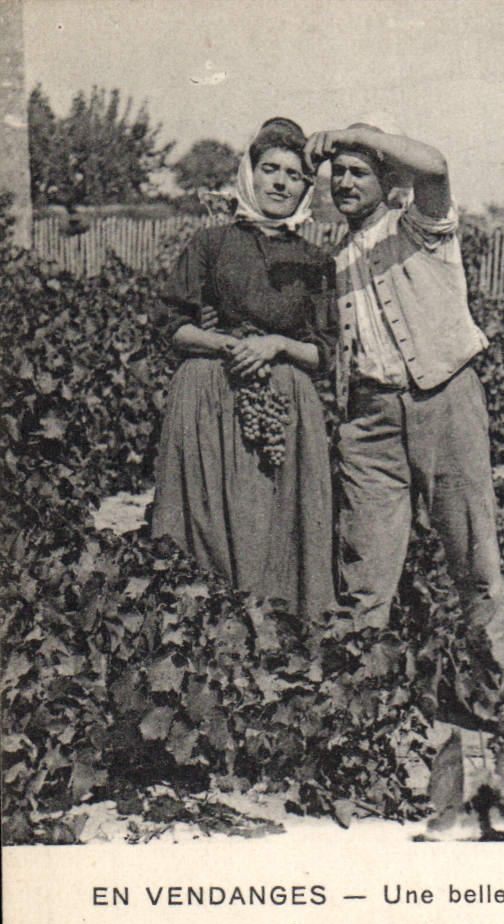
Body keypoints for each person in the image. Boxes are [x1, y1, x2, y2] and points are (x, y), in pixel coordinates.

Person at [303, 121, 504, 832]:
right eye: (338, 174)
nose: (345, 183)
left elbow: (437, 160)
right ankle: (360, 730)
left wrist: (357, 130)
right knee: (367, 577)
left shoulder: (424, 224)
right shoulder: (335, 255)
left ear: (385, 180)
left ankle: (499, 707)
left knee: (475, 563)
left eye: (358, 171)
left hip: (446, 401)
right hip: (369, 422)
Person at [150, 118, 336, 619]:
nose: (279, 182)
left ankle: (277, 633)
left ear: (306, 187)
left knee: (271, 522)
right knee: (207, 518)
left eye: (293, 175)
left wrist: (276, 344)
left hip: (283, 403)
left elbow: (325, 353)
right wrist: (225, 343)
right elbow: (172, 324)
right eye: (269, 169)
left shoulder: (316, 261)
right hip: (209, 394)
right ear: (249, 175)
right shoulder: (210, 244)